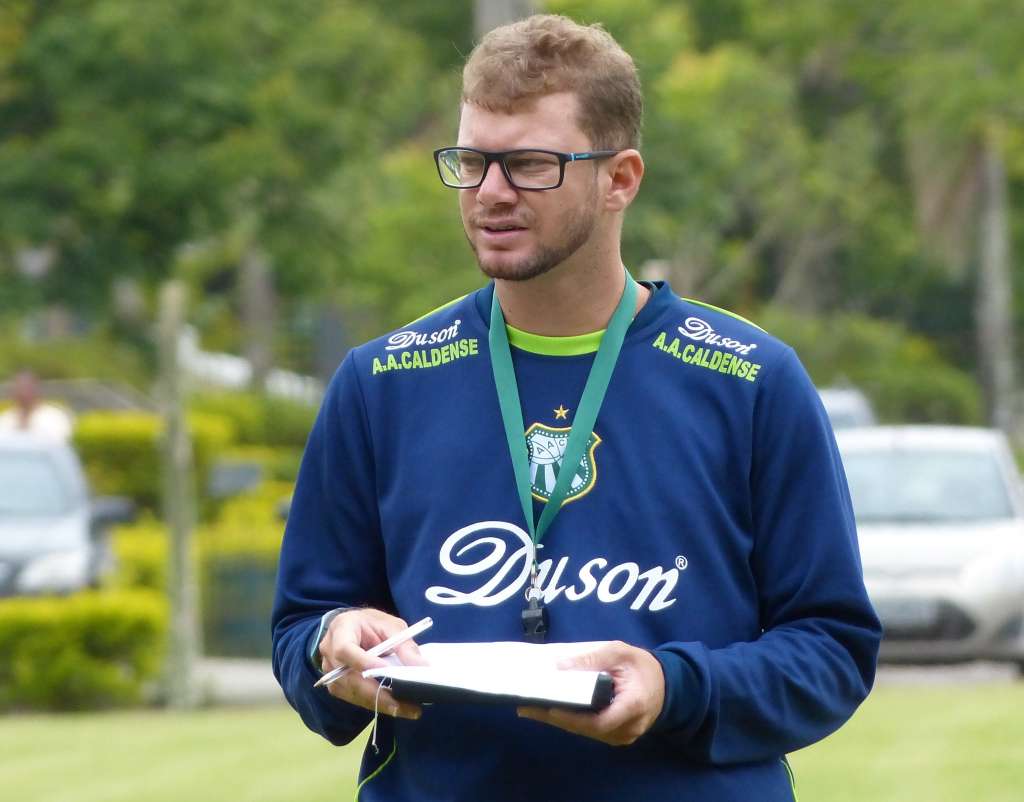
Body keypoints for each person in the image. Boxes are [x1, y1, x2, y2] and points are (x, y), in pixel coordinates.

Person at [272, 14, 880, 801]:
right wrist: (333, 644)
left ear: (620, 177)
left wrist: (672, 686)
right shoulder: (382, 382)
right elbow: (301, 627)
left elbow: (832, 649)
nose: (490, 194)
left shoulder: (750, 380)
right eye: (471, 162)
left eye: (528, 165)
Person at [0, 370, 73, 442]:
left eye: (27, 388)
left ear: (37, 390)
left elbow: (60, 444)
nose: (24, 393)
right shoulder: (5, 419)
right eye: (20, 388)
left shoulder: (55, 417)